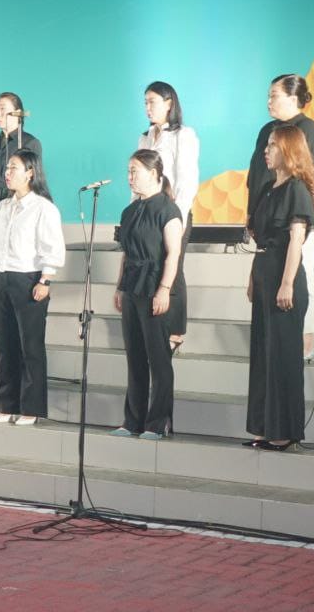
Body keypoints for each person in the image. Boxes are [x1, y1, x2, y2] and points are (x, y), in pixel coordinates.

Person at [246, 74, 314, 361]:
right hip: (268, 219)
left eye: (274, 95)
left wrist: (303, 216)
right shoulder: (267, 130)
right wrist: (252, 213)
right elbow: (256, 175)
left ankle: (305, 342)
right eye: (268, 95)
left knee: (301, 273)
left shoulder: (307, 129)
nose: (269, 101)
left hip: (296, 217)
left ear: (294, 98)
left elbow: (310, 175)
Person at [246, 124, 314, 452]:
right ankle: (263, 425)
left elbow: (295, 241)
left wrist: (287, 282)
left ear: (288, 150)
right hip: (264, 272)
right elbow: (260, 239)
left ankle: (284, 430)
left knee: (282, 355)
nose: (266, 150)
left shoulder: (297, 190)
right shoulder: (266, 188)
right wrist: (253, 277)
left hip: (283, 276)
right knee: (263, 354)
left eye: (273, 145)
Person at [0, 150, 64, 426]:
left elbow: (51, 247)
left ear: (30, 172)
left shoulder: (43, 208)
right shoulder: (2, 208)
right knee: (5, 344)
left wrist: (46, 280)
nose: (7, 173)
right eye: (6, 168)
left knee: (30, 345)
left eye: (14, 168)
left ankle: (31, 408)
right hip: (3, 277)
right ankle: (7, 404)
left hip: (29, 280)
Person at [111, 150, 183, 440]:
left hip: (156, 285)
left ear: (154, 173)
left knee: (159, 359)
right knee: (135, 357)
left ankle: (158, 422)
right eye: (128, 171)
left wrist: (164, 289)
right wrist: (119, 286)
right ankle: (133, 421)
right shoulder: (129, 211)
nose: (130, 177)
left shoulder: (168, 209)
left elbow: (173, 253)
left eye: (135, 171)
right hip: (132, 286)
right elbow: (127, 253)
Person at [0, 93, 42, 333]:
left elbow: (37, 181)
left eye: (2, 109)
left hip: (19, 201)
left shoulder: (30, 143)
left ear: (18, 113)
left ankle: (18, 323)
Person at [138, 81, 199, 354]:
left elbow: (187, 179)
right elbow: (138, 176)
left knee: (174, 267)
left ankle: (176, 331)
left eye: (152, 101)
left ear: (169, 103)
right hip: (147, 213)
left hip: (173, 212)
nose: (148, 107)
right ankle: (156, 321)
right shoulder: (145, 137)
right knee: (152, 266)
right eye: (145, 102)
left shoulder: (183, 135)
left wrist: (180, 215)